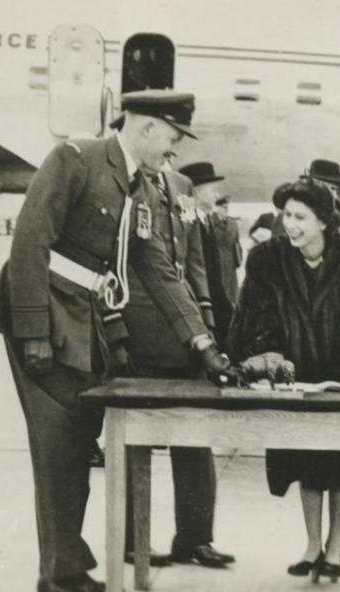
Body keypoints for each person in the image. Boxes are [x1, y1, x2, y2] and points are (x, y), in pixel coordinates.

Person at [0, 89, 235, 592]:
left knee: (76, 446)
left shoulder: (140, 188)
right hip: (43, 316)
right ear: (146, 127)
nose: (173, 151)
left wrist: (202, 344)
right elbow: (29, 241)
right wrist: (33, 329)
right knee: (59, 446)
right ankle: (60, 574)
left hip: (85, 322)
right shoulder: (75, 159)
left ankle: (63, 568)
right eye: (171, 138)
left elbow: (160, 271)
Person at [228, 179, 340, 583]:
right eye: (287, 215)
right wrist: (270, 360)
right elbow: (256, 317)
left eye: (301, 217)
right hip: (292, 378)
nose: (291, 225)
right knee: (305, 461)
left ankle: (335, 547)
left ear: (324, 221)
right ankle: (310, 545)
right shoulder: (267, 258)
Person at [116, 153, 235, 569]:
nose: (169, 153)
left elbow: (194, 257)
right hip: (143, 324)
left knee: (195, 439)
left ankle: (196, 539)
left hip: (189, 330)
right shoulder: (130, 183)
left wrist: (205, 315)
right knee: (138, 441)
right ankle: (134, 540)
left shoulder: (182, 186)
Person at [178, 161, 242, 345]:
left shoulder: (204, 222)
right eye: (213, 190)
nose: (217, 195)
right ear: (197, 191)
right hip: (201, 307)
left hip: (215, 303)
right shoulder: (190, 223)